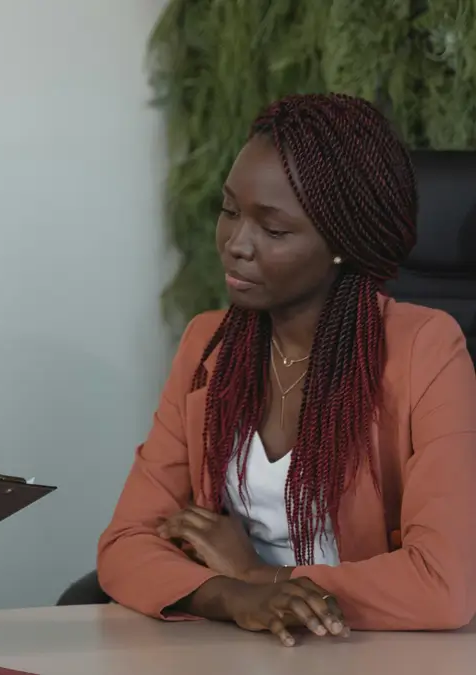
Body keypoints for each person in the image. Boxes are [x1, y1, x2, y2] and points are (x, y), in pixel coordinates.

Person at [97, 92, 476, 645]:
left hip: (363, 648)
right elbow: (125, 543)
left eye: (273, 231)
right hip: (233, 641)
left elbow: (443, 584)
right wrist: (237, 596)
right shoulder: (210, 345)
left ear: (343, 244)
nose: (236, 245)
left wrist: (261, 575)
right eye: (229, 211)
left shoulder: (427, 350)